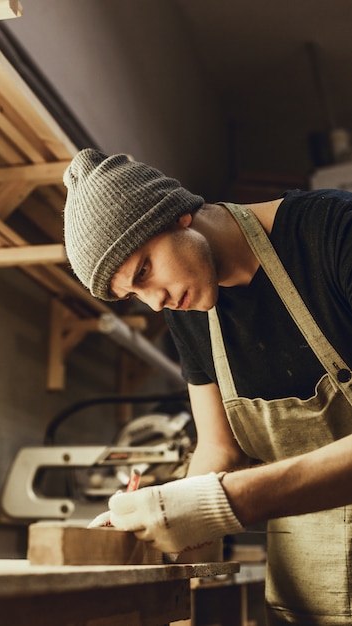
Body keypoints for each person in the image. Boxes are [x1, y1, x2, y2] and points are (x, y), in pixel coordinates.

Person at [63, 148, 352, 626]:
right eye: (134, 294)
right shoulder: (190, 313)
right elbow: (220, 451)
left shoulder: (332, 233)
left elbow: (226, 487)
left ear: (179, 215)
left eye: (144, 271)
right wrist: (151, 520)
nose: (155, 304)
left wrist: (224, 503)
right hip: (313, 597)